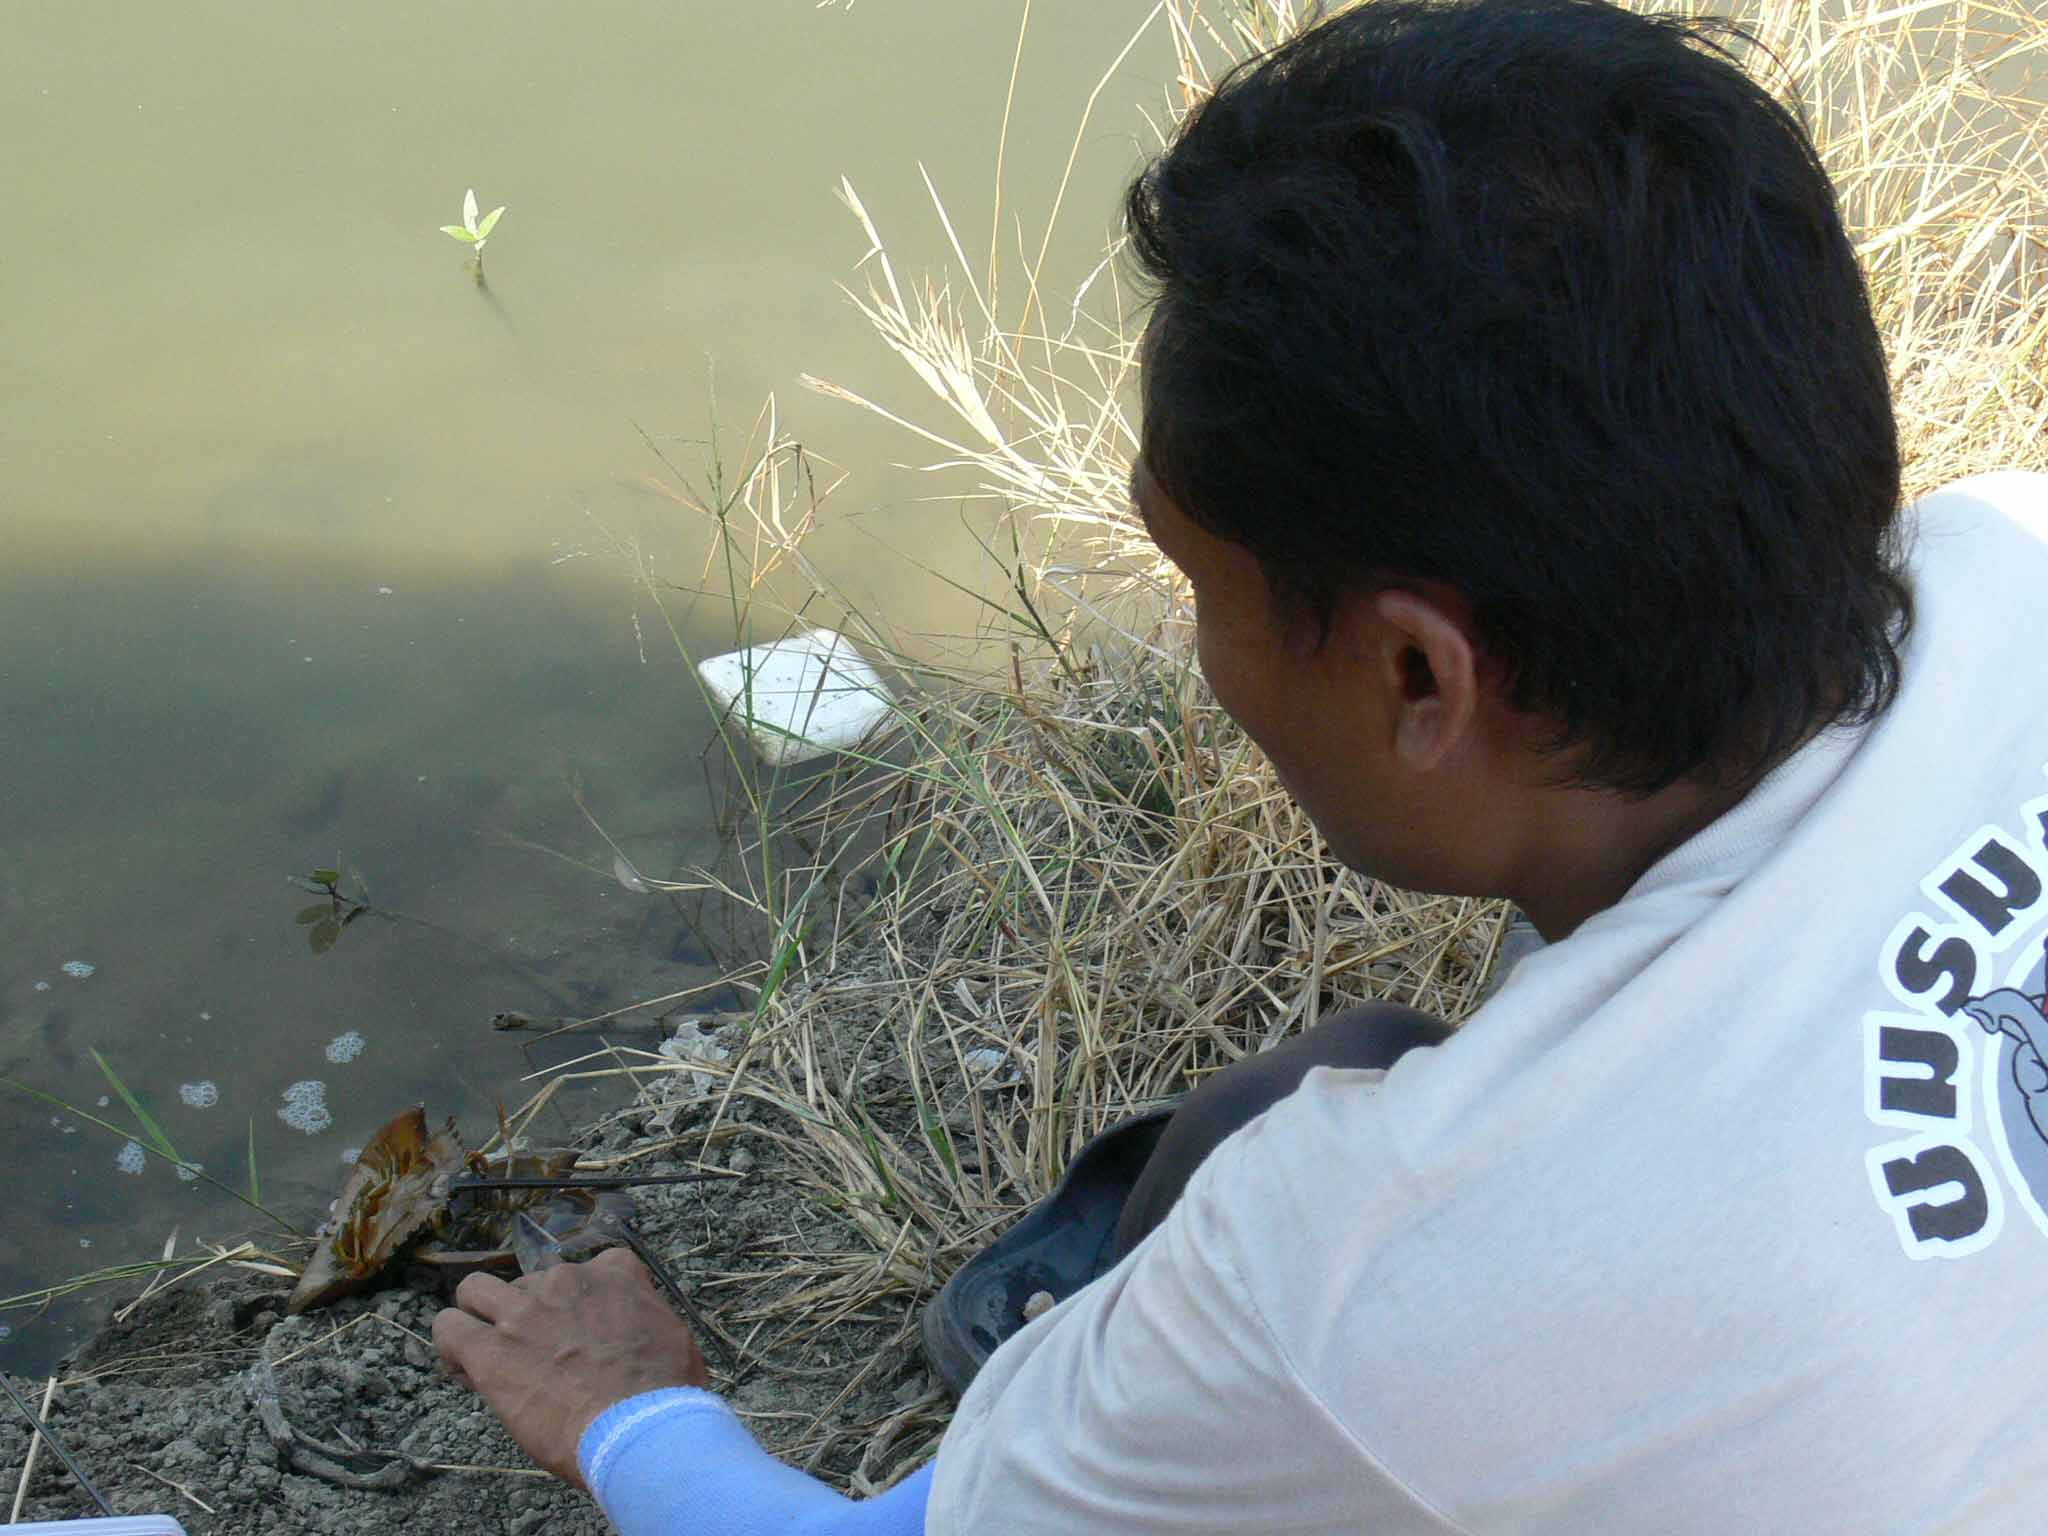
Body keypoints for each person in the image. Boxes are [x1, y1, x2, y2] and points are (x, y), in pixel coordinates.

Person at [433, 0, 2048, 1529]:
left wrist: (626, 1411)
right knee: (1331, 1063)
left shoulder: (1373, 1288)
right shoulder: (2014, 551)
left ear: (1421, 674)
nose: (1210, 668)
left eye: (1203, 588)